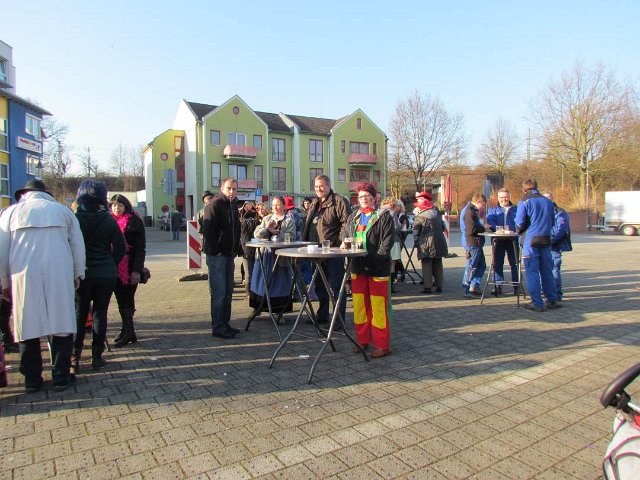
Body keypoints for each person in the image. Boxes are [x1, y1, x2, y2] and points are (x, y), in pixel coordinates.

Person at [0, 179, 86, 393]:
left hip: (22, 274)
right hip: (59, 272)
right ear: (47, 193)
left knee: (27, 325)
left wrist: (4, 282)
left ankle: (32, 379)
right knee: (62, 323)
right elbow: (77, 245)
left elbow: (2, 250)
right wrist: (78, 272)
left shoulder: (10, 213)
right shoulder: (63, 211)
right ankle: (61, 376)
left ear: (24, 194)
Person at [74, 181, 126, 372]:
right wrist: (110, 262)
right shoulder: (108, 220)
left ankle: (75, 357)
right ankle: (97, 356)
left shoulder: (75, 220)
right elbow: (120, 248)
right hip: (106, 274)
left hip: (82, 274)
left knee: (79, 315)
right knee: (100, 314)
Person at [343, 183, 394, 358]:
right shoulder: (353, 217)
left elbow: (387, 242)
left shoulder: (384, 216)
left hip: (377, 268)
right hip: (357, 267)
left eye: (367, 196)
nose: (364, 199)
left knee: (378, 307)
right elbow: (346, 235)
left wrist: (377, 259)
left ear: (374, 198)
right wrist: (344, 243)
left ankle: (382, 345)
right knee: (359, 306)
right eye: (361, 197)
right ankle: (362, 340)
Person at [302, 175, 352, 325]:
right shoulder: (315, 203)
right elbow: (309, 224)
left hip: (333, 252)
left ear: (329, 185)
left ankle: (339, 320)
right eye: (316, 186)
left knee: (337, 287)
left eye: (322, 186)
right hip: (316, 251)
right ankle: (322, 315)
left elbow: (347, 223)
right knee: (319, 285)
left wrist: (340, 242)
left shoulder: (339, 201)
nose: (319, 189)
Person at [202, 178, 241, 339]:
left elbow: (236, 229)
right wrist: (215, 251)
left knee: (228, 292)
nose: (232, 192)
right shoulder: (215, 205)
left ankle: (225, 324)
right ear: (222, 188)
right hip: (217, 256)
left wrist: (237, 248)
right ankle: (218, 327)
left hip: (229, 254)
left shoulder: (233, 206)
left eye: (234, 189)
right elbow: (208, 229)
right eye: (229, 188)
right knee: (219, 293)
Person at [515, 179, 561, 311]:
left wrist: (519, 231)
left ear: (524, 189)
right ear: (536, 187)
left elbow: (519, 223)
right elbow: (553, 221)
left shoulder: (524, 201)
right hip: (546, 239)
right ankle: (552, 300)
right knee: (547, 271)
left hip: (530, 241)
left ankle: (537, 303)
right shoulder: (548, 201)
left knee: (532, 272)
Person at [110, 194, 147, 346]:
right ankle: (127, 330)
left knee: (127, 299)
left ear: (126, 206)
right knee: (122, 299)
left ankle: (129, 332)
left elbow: (140, 248)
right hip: (114, 266)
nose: (116, 208)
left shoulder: (134, 221)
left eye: (120, 205)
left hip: (130, 266)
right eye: (114, 205)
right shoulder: (109, 221)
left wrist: (136, 270)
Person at [249, 196, 296, 314]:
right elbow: (256, 234)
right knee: (261, 283)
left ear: (284, 206)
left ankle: (279, 313)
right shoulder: (267, 219)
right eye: (274, 204)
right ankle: (257, 308)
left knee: (280, 284)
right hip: (265, 256)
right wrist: (268, 230)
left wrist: (279, 233)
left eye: (279, 204)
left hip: (281, 257)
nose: (276, 207)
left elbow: (292, 237)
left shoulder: (289, 221)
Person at [413, 191, 448, 294]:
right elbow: (443, 227)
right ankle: (439, 285)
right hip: (439, 241)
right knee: (438, 263)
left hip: (426, 243)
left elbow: (416, 231)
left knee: (426, 263)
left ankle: (427, 287)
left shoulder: (420, 215)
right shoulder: (437, 212)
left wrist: (416, 241)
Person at [486, 188, 519, 295]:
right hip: (498, 240)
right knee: (497, 263)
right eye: (501, 197)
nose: (504, 199)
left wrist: (511, 229)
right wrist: (499, 229)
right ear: (498, 198)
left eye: (506, 197)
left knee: (514, 263)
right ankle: (498, 286)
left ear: (509, 197)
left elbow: (519, 222)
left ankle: (516, 286)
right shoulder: (492, 210)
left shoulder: (517, 209)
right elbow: (490, 221)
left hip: (512, 239)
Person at [543, 191, 572, 301]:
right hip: (542, 245)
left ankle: (556, 294)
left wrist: (548, 240)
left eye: (549, 198)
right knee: (543, 270)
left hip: (553, 245)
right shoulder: (540, 211)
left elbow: (560, 229)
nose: (547, 201)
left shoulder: (560, 212)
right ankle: (545, 293)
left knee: (554, 269)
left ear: (552, 199)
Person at [460, 193, 487, 297]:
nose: (483, 207)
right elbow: (471, 230)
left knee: (481, 265)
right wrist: (484, 228)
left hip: (475, 242)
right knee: (472, 266)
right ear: (479, 202)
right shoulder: (469, 211)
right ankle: (466, 287)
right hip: (472, 242)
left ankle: (474, 285)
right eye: (483, 205)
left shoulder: (471, 210)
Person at [380, 197, 402, 293]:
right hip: (393, 240)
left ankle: (384, 286)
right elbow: (396, 228)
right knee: (392, 264)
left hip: (382, 242)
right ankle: (391, 287)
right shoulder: (392, 213)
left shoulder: (378, 212)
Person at [239, 201, 259, 297]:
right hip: (250, 249)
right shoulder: (256, 221)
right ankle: (251, 293)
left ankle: (250, 293)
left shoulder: (242, 221)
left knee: (249, 273)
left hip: (248, 249)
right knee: (250, 272)